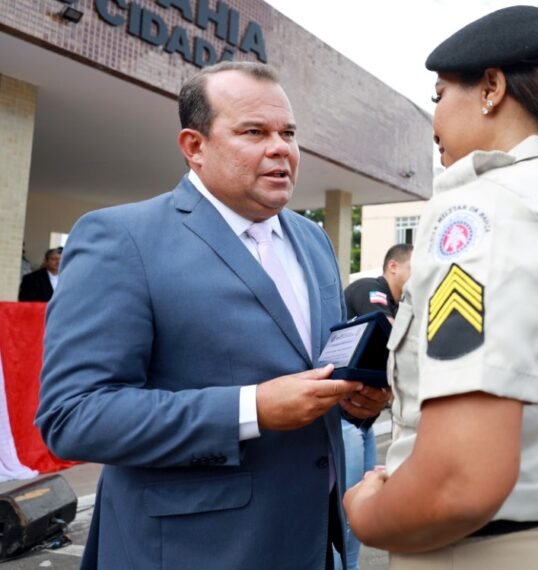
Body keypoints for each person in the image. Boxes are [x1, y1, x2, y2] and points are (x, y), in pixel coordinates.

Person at [35, 62, 387, 569]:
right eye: (254, 132)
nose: (281, 149)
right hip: (192, 551)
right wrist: (250, 409)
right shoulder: (122, 239)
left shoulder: (313, 240)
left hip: (311, 543)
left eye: (288, 133)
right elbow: (75, 416)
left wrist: (356, 401)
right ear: (194, 146)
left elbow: (316, 369)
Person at [341, 6, 538, 569]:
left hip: (482, 551)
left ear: (491, 89)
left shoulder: (485, 207)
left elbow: (459, 482)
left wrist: (365, 514)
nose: (434, 117)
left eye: (437, 95)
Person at [339, 243, 412, 570]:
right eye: (414, 266)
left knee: (358, 521)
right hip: (341, 419)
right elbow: (392, 334)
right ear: (393, 266)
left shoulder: (401, 303)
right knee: (345, 515)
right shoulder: (370, 288)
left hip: (364, 421)